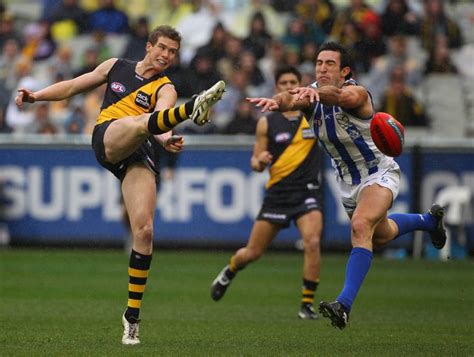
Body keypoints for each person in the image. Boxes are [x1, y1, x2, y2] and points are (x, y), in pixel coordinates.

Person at [15, 25, 226, 345]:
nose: (167, 56)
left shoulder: (165, 86)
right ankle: (193, 108)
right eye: (163, 49)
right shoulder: (116, 66)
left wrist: (166, 140)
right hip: (108, 137)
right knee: (139, 123)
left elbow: (161, 117)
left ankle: (132, 317)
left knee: (144, 231)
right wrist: (36, 96)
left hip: (139, 151)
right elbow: (73, 85)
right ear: (149, 46)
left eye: (173, 52)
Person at [247, 41, 447, 330]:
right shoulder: (309, 94)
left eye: (329, 63)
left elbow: (338, 96)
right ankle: (428, 221)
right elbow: (290, 100)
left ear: (345, 71)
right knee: (380, 233)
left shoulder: (357, 93)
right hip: (347, 183)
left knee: (360, 227)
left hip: (379, 173)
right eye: (318, 63)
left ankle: (343, 305)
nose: (322, 68)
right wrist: (275, 102)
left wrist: (314, 92)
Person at [211, 66, 324, 320]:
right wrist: (260, 160)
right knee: (252, 253)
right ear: (276, 88)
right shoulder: (267, 121)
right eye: (283, 82)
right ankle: (230, 270)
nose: (288, 86)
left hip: (307, 191)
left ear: (301, 85)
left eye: (293, 81)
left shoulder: (314, 114)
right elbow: (255, 164)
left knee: (313, 242)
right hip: (278, 194)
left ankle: (306, 304)